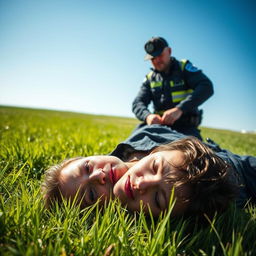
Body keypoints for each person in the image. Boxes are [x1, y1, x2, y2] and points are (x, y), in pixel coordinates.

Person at [42, 125, 256, 218]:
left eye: (87, 167)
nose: (99, 176)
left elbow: (189, 142)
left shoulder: (144, 134)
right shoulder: (159, 202)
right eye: (91, 194)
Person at [132, 37, 214, 140]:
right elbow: (137, 102)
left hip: (185, 128)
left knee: (190, 152)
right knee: (130, 145)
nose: (157, 60)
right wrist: (148, 116)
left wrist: (180, 109)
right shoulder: (150, 78)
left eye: (160, 55)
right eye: (152, 58)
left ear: (169, 51)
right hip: (158, 127)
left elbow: (206, 87)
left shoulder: (184, 68)